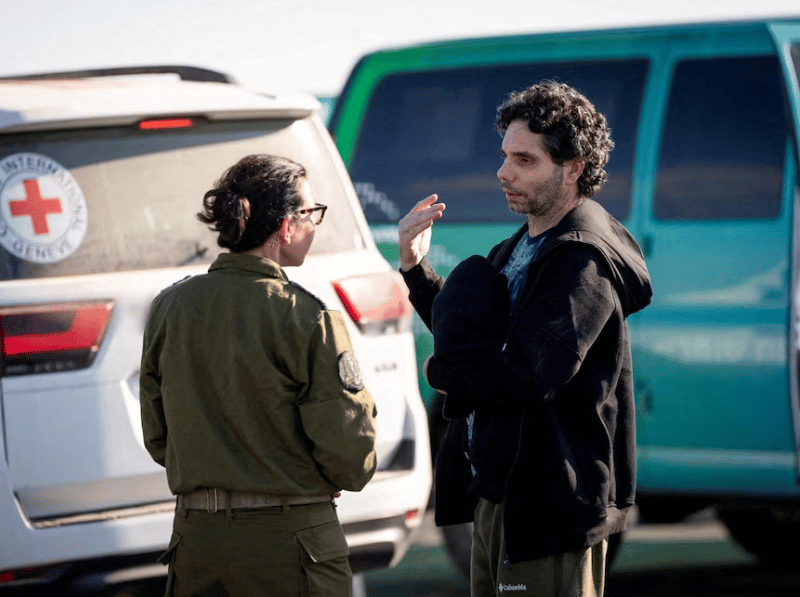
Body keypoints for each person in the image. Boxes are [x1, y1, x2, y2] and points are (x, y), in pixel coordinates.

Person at [398, 81, 652, 597]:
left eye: (524, 159)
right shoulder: (523, 244)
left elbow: (527, 375)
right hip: (502, 493)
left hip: (550, 504)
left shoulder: (582, 259)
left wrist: (441, 373)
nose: (503, 171)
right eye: (504, 155)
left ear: (573, 167)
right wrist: (416, 271)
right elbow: (471, 338)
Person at [139, 154, 377, 597]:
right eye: (310, 213)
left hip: (198, 542)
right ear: (285, 226)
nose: (314, 225)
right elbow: (351, 458)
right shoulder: (307, 315)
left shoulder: (171, 307)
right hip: (291, 542)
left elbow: (158, 438)